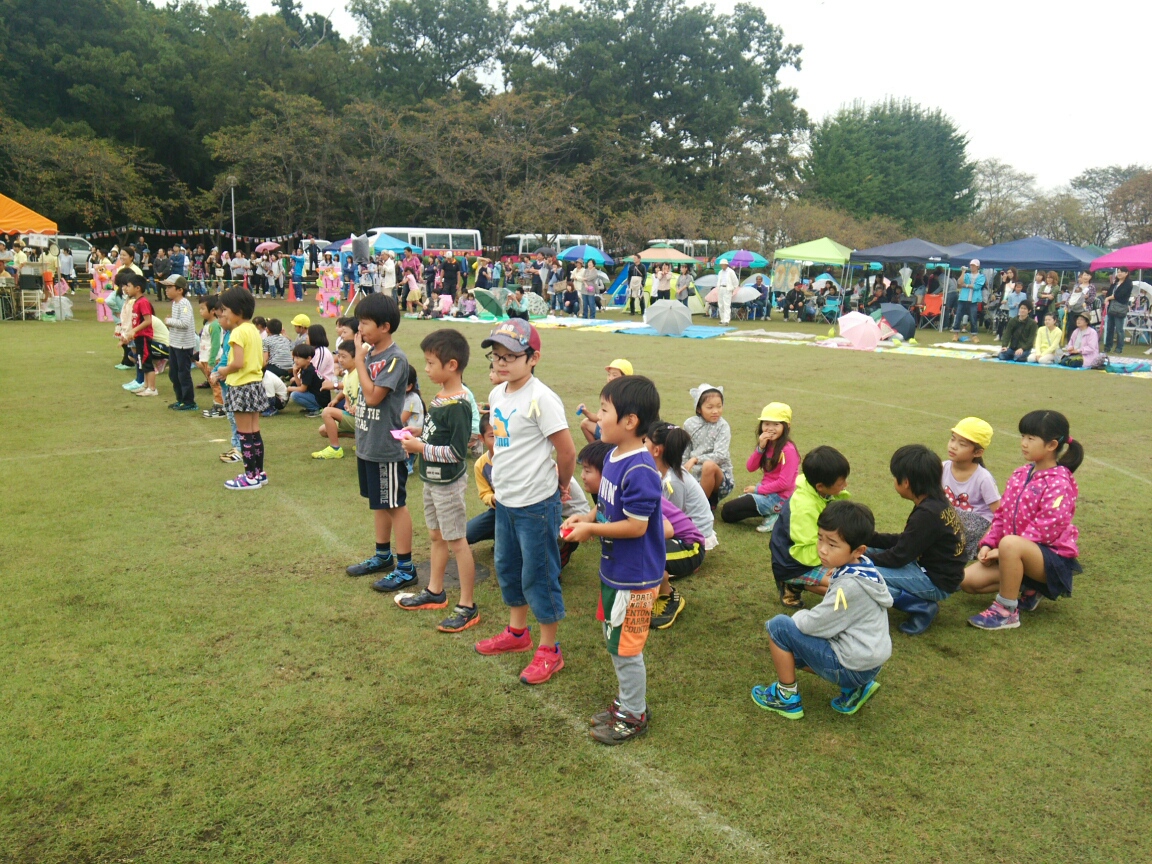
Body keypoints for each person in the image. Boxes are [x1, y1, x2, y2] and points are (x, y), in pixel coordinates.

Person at [473, 320, 577, 686]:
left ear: (533, 358)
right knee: (508, 566)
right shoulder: (498, 394)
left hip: (536, 503)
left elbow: (567, 451)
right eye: (496, 356)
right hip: (506, 501)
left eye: (510, 357)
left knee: (539, 574)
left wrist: (561, 486)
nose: (500, 363)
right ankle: (517, 633)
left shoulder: (542, 398)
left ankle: (550, 649)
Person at [562, 376, 664, 744]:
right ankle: (628, 702)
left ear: (630, 421)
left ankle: (634, 715)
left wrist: (592, 530)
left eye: (604, 410)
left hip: (635, 578)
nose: (598, 416)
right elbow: (607, 506)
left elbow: (637, 526)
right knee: (616, 641)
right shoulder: (614, 455)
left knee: (626, 648)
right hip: (616, 571)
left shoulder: (640, 470)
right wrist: (587, 517)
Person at [753, 500, 892, 720]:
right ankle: (856, 689)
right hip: (868, 663)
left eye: (832, 545)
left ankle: (786, 697)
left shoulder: (848, 588)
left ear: (858, 550)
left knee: (779, 628)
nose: (822, 549)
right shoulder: (864, 568)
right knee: (793, 643)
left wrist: (797, 618)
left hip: (852, 666)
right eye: (820, 538)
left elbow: (817, 624)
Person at [387, 329, 480, 632]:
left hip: (448, 484)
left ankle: (467, 605)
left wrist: (420, 448)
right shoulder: (441, 396)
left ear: (451, 365)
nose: (425, 369)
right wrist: (418, 434)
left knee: (457, 541)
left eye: (430, 363)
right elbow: (437, 434)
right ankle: (435, 591)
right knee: (437, 536)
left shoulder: (459, 404)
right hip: (432, 479)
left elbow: (456, 452)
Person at [961, 410, 1083, 630]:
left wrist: (1003, 549)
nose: (1023, 443)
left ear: (1052, 445)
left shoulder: (1059, 482)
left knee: (1010, 543)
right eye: (1023, 436)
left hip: (1050, 561)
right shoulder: (1020, 474)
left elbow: (1048, 527)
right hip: (1014, 553)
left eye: (1031, 438)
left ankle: (1006, 611)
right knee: (966, 581)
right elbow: (1002, 515)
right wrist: (988, 543)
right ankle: (1029, 587)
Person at [345, 293, 417, 590]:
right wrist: (363, 359)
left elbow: (374, 397)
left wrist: (358, 361)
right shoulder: (372, 354)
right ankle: (382, 555)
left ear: (385, 326)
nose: (359, 329)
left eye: (364, 323)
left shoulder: (394, 359)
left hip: (386, 448)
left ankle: (406, 568)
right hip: (368, 443)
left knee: (395, 505)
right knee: (379, 504)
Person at [860, 445, 966, 636]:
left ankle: (921, 606)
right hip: (936, 571)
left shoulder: (927, 514)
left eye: (895, 477)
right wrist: (871, 539)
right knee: (865, 550)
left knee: (861, 573)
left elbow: (898, 557)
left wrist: (858, 560)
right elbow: (908, 541)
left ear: (906, 482)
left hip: (936, 581)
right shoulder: (935, 501)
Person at [770, 446, 851, 608]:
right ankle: (792, 583)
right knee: (846, 588)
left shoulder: (817, 490)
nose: (845, 485)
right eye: (840, 483)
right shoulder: (804, 508)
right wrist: (836, 562)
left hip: (812, 554)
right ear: (820, 486)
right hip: (794, 564)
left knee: (851, 581)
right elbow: (805, 551)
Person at [211, 286, 269, 490]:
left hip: (241, 386)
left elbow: (238, 362)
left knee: (244, 434)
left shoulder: (237, 332)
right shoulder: (253, 330)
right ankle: (259, 473)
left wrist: (222, 371)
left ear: (238, 310)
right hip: (255, 385)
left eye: (226, 310)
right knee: (254, 432)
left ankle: (250, 477)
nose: (224, 314)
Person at [720, 402, 799, 533]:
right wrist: (761, 447)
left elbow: (784, 483)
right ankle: (772, 512)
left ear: (787, 426)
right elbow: (750, 467)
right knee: (728, 512)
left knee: (728, 512)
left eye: (776, 424)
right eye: (766, 424)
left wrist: (757, 489)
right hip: (767, 492)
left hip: (779, 497)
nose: (770, 428)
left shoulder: (788, 450)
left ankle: (778, 512)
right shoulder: (767, 444)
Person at [646, 421, 718, 554]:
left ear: (656, 451)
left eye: (645, 442)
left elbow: (674, 518)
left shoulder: (673, 482)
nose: (642, 446)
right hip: (690, 528)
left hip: (694, 536)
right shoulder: (666, 473)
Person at [943, 417, 1002, 561]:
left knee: (950, 522)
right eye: (953, 439)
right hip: (952, 518)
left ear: (977, 452)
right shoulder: (942, 468)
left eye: (962, 444)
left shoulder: (983, 478)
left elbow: (1000, 513)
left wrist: (987, 541)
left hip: (975, 524)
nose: (953, 446)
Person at [683, 383, 733, 508]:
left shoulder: (723, 426)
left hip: (720, 478)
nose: (715, 411)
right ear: (699, 409)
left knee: (708, 465)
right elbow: (685, 451)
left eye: (719, 406)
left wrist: (696, 459)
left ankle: (699, 508)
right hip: (694, 475)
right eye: (710, 407)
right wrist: (681, 470)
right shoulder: (689, 424)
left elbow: (720, 455)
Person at [312, 343, 360, 459]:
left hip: (363, 417)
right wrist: (347, 404)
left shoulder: (359, 373)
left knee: (327, 411)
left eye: (344, 356)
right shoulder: (347, 375)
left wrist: (358, 407)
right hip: (354, 416)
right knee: (323, 430)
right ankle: (362, 440)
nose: (340, 360)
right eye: (339, 356)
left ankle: (335, 449)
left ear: (355, 358)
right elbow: (347, 395)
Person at [118, 271, 159, 398]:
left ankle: (152, 388)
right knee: (141, 361)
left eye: (129, 286)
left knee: (147, 362)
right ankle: (145, 385)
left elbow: (148, 320)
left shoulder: (143, 302)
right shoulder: (136, 302)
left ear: (137, 288)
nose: (127, 289)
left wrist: (134, 330)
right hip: (138, 337)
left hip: (145, 337)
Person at [162, 275, 198, 411]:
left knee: (183, 374)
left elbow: (184, 323)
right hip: (175, 343)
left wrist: (169, 321)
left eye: (169, 287)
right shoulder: (175, 303)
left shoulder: (184, 303)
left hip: (183, 345)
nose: (166, 290)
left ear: (180, 290)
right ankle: (180, 399)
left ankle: (189, 402)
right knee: (174, 373)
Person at [578, 359, 633, 443]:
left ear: (625, 378)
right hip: (619, 435)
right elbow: (599, 418)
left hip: (616, 436)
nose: (610, 378)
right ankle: (598, 449)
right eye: (609, 374)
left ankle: (599, 449)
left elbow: (600, 419)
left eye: (614, 375)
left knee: (586, 424)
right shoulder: (615, 393)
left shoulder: (618, 396)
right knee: (585, 423)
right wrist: (585, 412)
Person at [197, 294, 226, 418]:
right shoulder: (208, 324)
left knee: (216, 384)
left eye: (203, 308)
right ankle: (217, 405)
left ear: (213, 310)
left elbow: (215, 345)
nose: (200, 311)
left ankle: (220, 408)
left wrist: (211, 361)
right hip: (206, 359)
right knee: (212, 383)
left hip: (213, 359)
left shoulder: (214, 325)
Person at [286, 344, 332, 417]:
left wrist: (289, 388)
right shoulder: (306, 367)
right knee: (295, 388)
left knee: (294, 395)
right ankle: (312, 407)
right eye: (294, 357)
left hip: (321, 400)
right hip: (317, 396)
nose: (295, 360)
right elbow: (299, 385)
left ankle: (316, 409)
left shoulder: (309, 370)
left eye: (298, 358)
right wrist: (295, 373)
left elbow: (302, 389)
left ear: (308, 358)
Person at [1102, 265, 1133, 355]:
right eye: (1118, 272)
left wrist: (1108, 298)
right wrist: (1107, 298)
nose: (1119, 274)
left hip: (1120, 307)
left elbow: (1120, 295)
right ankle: (1108, 347)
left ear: (1126, 273)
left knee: (1119, 329)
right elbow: (1109, 292)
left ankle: (1119, 348)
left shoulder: (1128, 284)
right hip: (1111, 307)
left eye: (1121, 272)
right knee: (1109, 328)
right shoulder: (1115, 282)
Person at [954, 259, 984, 334]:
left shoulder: (981, 276)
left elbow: (977, 286)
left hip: (973, 300)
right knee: (958, 316)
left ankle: (974, 334)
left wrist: (966, 285)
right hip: (963, 299)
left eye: (974, 265)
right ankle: (956, 333)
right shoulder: (967, 275)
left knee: (973, 318)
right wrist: (963, 272)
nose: (972, 267)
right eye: (971, 265)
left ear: (978, 267)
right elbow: (960, 283)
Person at [715, 259, 739, 325]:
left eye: (723, 264)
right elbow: (719, 281)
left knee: (727, 305)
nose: (722, 265)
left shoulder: (731, 272)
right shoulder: (720, 272)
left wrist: (732, 288)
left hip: (727, 289)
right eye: (721, 264)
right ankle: (722, 319)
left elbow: (735, 282)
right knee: (721, 305)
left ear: (726, 264)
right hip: (721, 288)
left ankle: (726, 320)